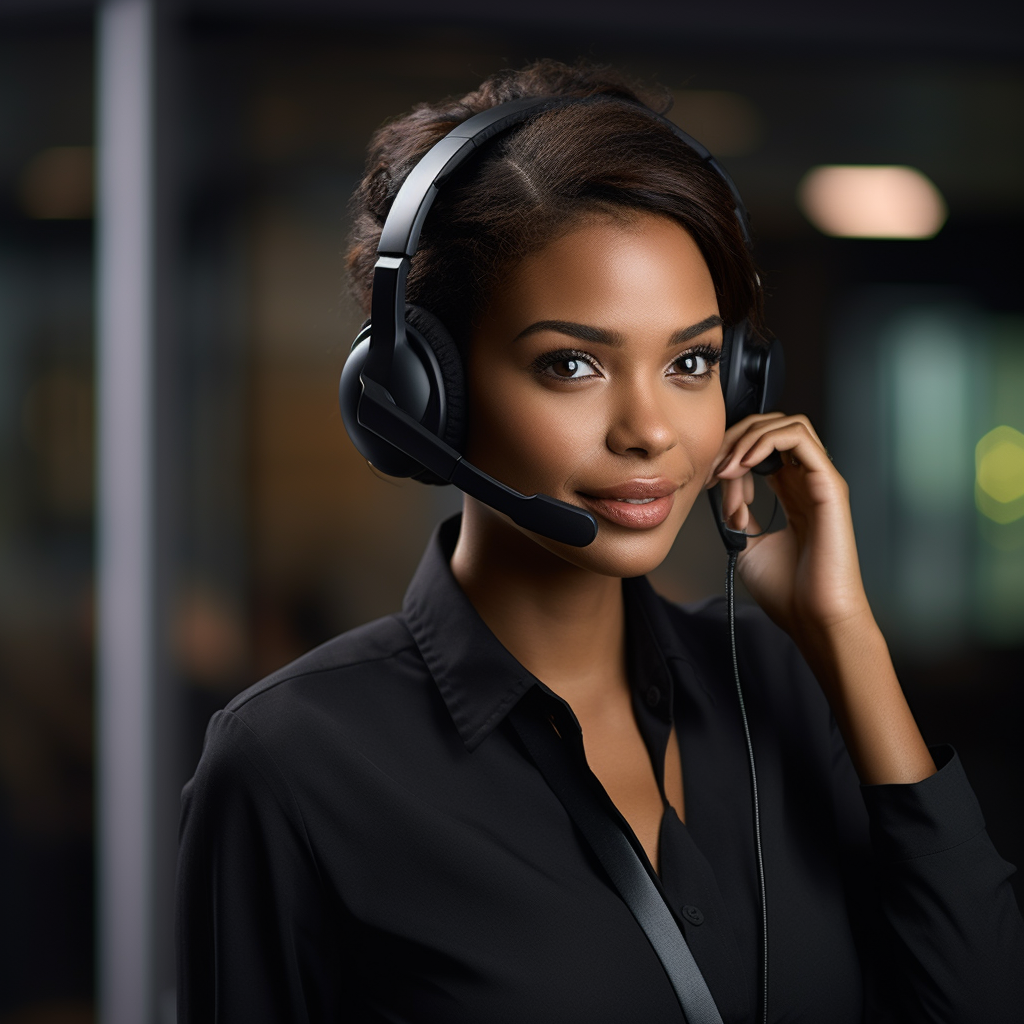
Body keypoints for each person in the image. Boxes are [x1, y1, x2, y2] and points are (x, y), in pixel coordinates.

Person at [176, 61, 1024, 1023]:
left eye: (691, 361)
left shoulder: (780, 684)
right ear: (425, 392)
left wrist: (844, 637)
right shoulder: (291, 764)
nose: (651, 431)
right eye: (572, 364)